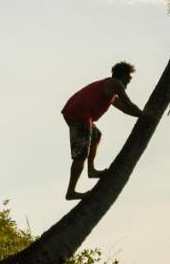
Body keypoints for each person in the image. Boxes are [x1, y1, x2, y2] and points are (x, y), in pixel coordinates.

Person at [60, 61, 147, 200]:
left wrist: (140, 115)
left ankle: (91, 170)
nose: (129, 82)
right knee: (81, 154)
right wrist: (145, 115)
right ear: (123, 76)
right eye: (129, 78)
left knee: (96, 135)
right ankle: (71, 191)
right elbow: (129, 104)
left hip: (77, 113)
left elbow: (125, 109)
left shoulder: (111, 92)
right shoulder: (115, 84)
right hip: (79, 113)